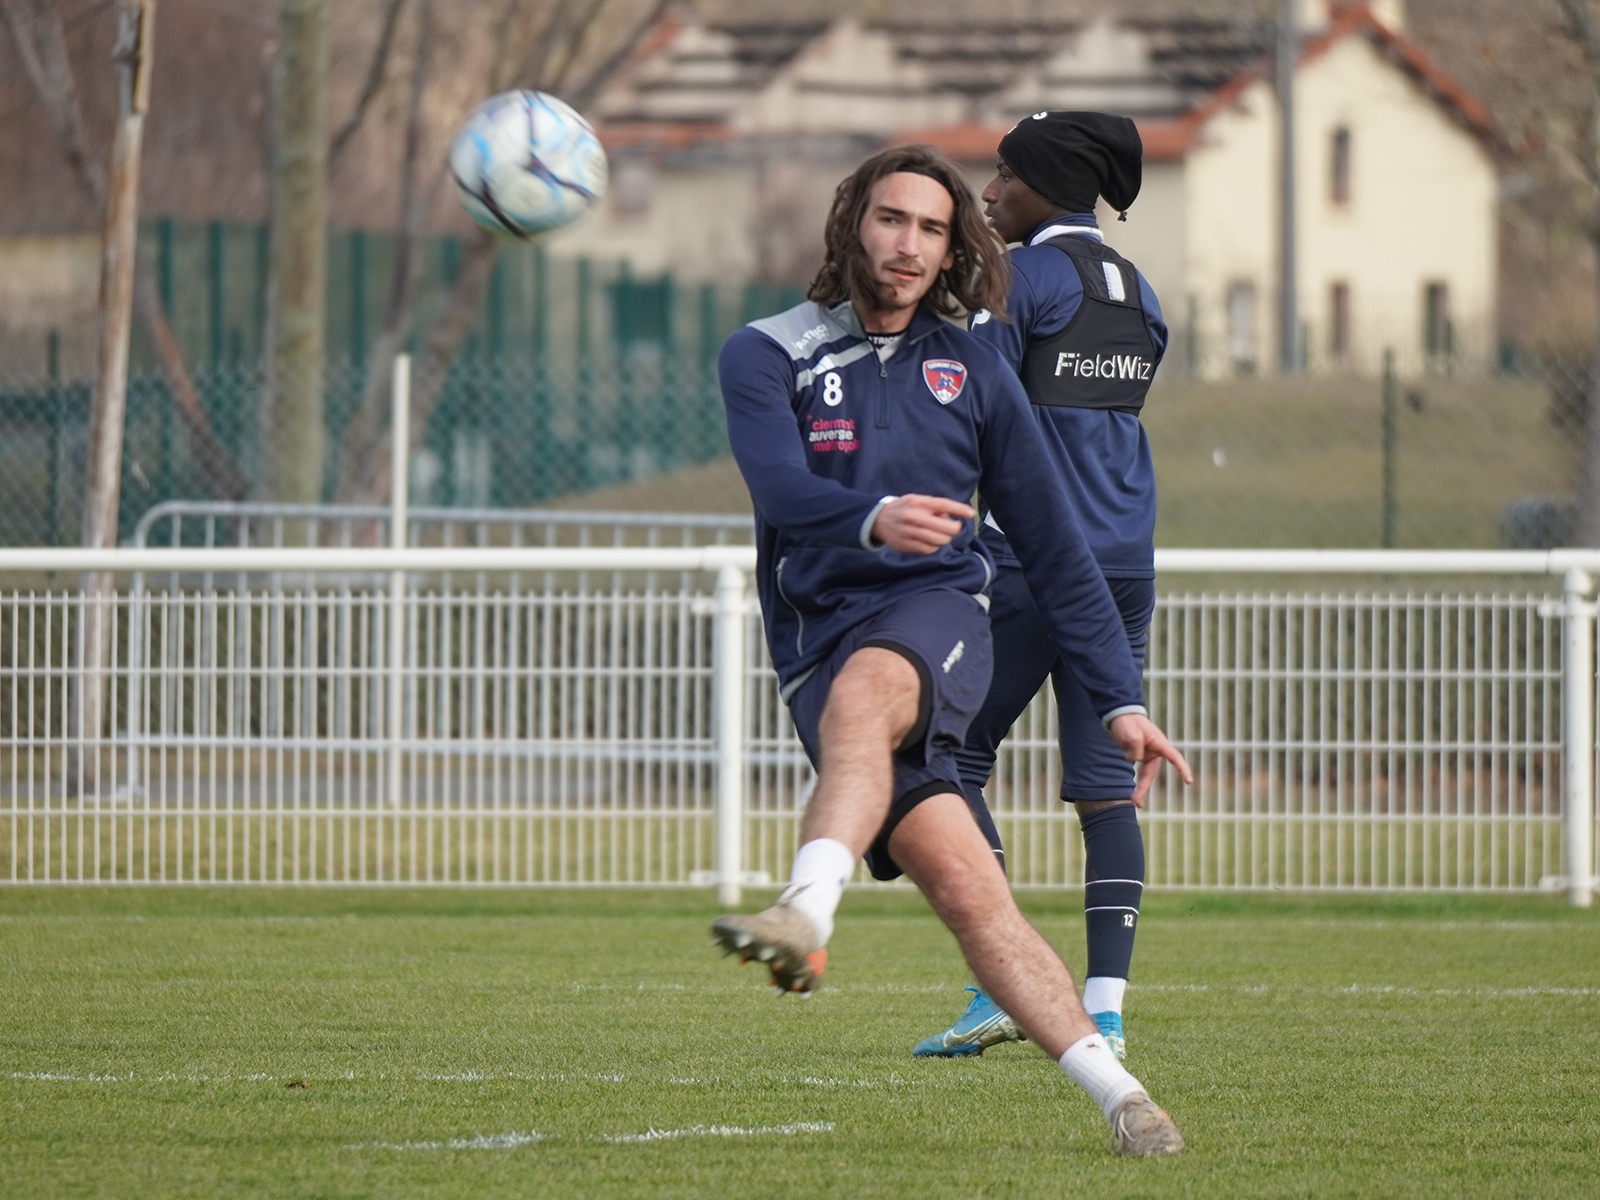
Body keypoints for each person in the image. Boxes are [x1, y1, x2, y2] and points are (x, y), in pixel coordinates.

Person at [710, 142, 1192, 1157]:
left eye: (931, 228)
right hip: (814, 640)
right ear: (851, 224)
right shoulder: (766, 352)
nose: (908, 244)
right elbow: (780, 493)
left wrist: (1120, 698)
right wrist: (874, 515)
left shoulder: (972, 363)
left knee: (866, 693)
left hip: (940, 613)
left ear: (949, 249)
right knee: (972, 897)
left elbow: (1054, 543)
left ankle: (805, 906)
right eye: (891, 219)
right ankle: (1123, 1100)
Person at [912, 113, 1170, 1065]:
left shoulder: (1020, 281)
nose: (987, 194)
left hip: (1037, 561)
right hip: (1127, 563)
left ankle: (999, 987)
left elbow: (971, 402)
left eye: (1003, 176)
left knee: (947, 756)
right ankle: (1102, 1013)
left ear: (1045, 184)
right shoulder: (1138, 291)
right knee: (1109, 788)